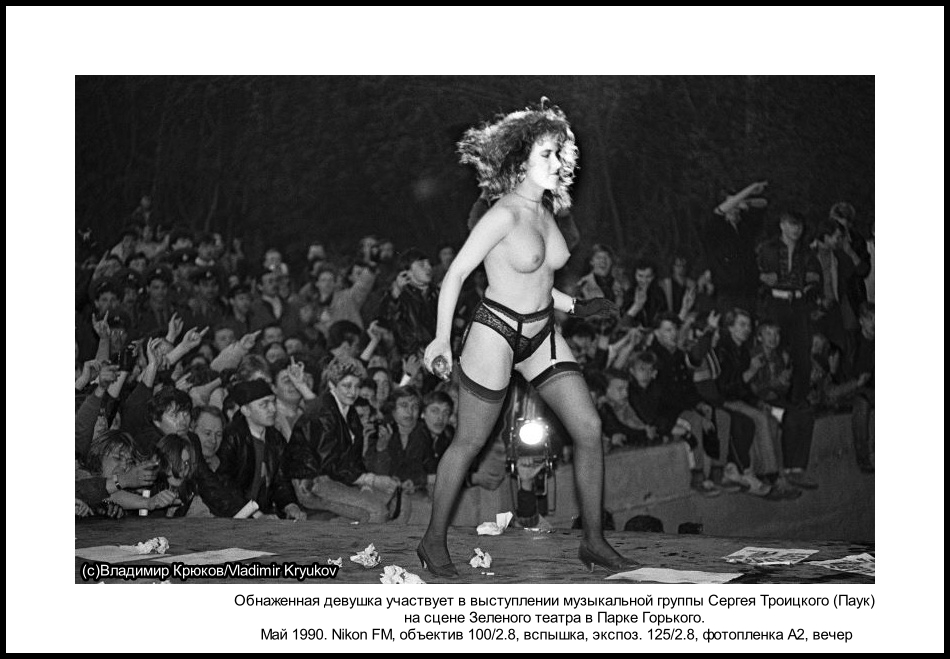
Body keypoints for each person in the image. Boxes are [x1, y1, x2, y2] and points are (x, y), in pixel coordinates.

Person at [419, 100, 636, 577]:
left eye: (560, 153)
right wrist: (440, 340)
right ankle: (432, 541)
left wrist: (577, 307)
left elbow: (538, 280)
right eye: (547, 154)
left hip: (541, 333)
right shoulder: (503, 214)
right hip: (495, 331)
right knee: (469, 441)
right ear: (521, 160)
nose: (558, 163)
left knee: (589, 429)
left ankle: (594, 541)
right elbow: (456, 274)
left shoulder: (546, 210)